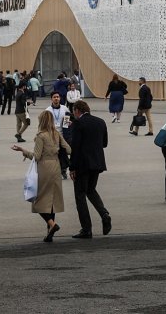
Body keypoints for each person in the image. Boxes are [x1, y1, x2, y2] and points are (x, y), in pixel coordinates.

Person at [13, 110, 67, 242]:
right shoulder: (56, 134)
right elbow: (69, 149)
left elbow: (36, 156)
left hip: (44, 168)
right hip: (56, 167)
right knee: (52, 201)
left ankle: (52, 225)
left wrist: (23, 151)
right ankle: (50, 232)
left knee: (38, 202)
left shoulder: (40, 136)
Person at [65, 101, 112, 238]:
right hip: (97, 163)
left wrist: (72, 167)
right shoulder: (100, 121)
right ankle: (104, 214)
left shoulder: (78, 123)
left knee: (80, 195)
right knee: (91, 190)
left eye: (74, 111)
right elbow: (104, 143)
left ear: (77, 110)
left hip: (82, 164)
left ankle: (86, 229)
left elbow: (76, 147)